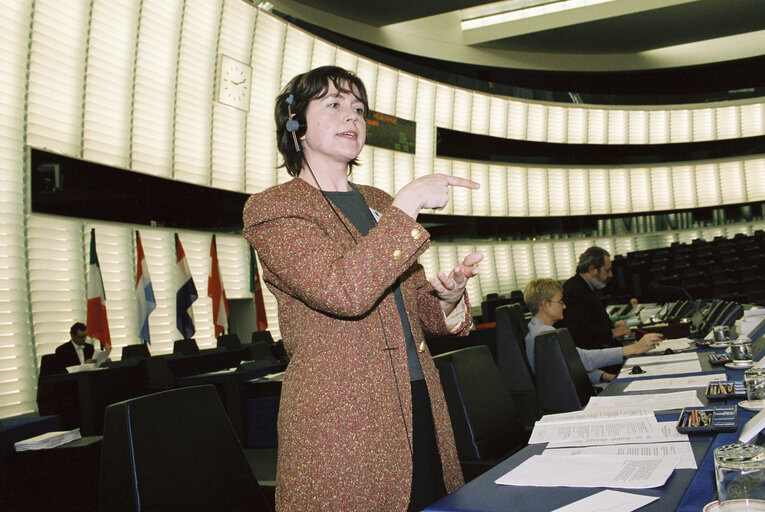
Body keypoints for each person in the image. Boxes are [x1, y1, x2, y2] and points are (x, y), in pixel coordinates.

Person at [242, 66, 482, 512]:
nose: (351, 116)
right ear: (295, 123)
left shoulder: (377, 202)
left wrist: (446, 301)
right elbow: (343, 293)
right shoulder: (275, 208)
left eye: (358, 108)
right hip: (342, 422)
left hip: (419, 399)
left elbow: (410, 307)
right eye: (333, 104)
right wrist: (409, 203)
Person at [524, 279, 662, 384]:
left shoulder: (539, 331)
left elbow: (569, 369)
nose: (564, 306)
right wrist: (633, 349)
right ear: (545, 305)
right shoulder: (544, 335)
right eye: (560, 302)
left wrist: (605, 376)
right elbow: (582, 360)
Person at [556, 246, 631, 350]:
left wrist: (612, 326)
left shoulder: (583, 287)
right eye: (607, 270)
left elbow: (591, 323)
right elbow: (581, 336)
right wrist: (612, 333)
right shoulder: (575, 292)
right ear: (592, 269)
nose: (611, 275)